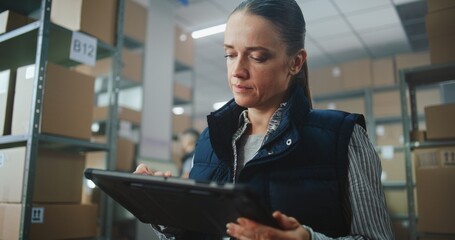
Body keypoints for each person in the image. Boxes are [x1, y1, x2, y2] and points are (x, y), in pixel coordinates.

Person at [135, 0, 394, 239]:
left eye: (257, 56)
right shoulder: (208, 142)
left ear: (295, 62)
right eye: (230, 54)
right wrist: (166, 212)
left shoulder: (343, 137)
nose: (237, 71)